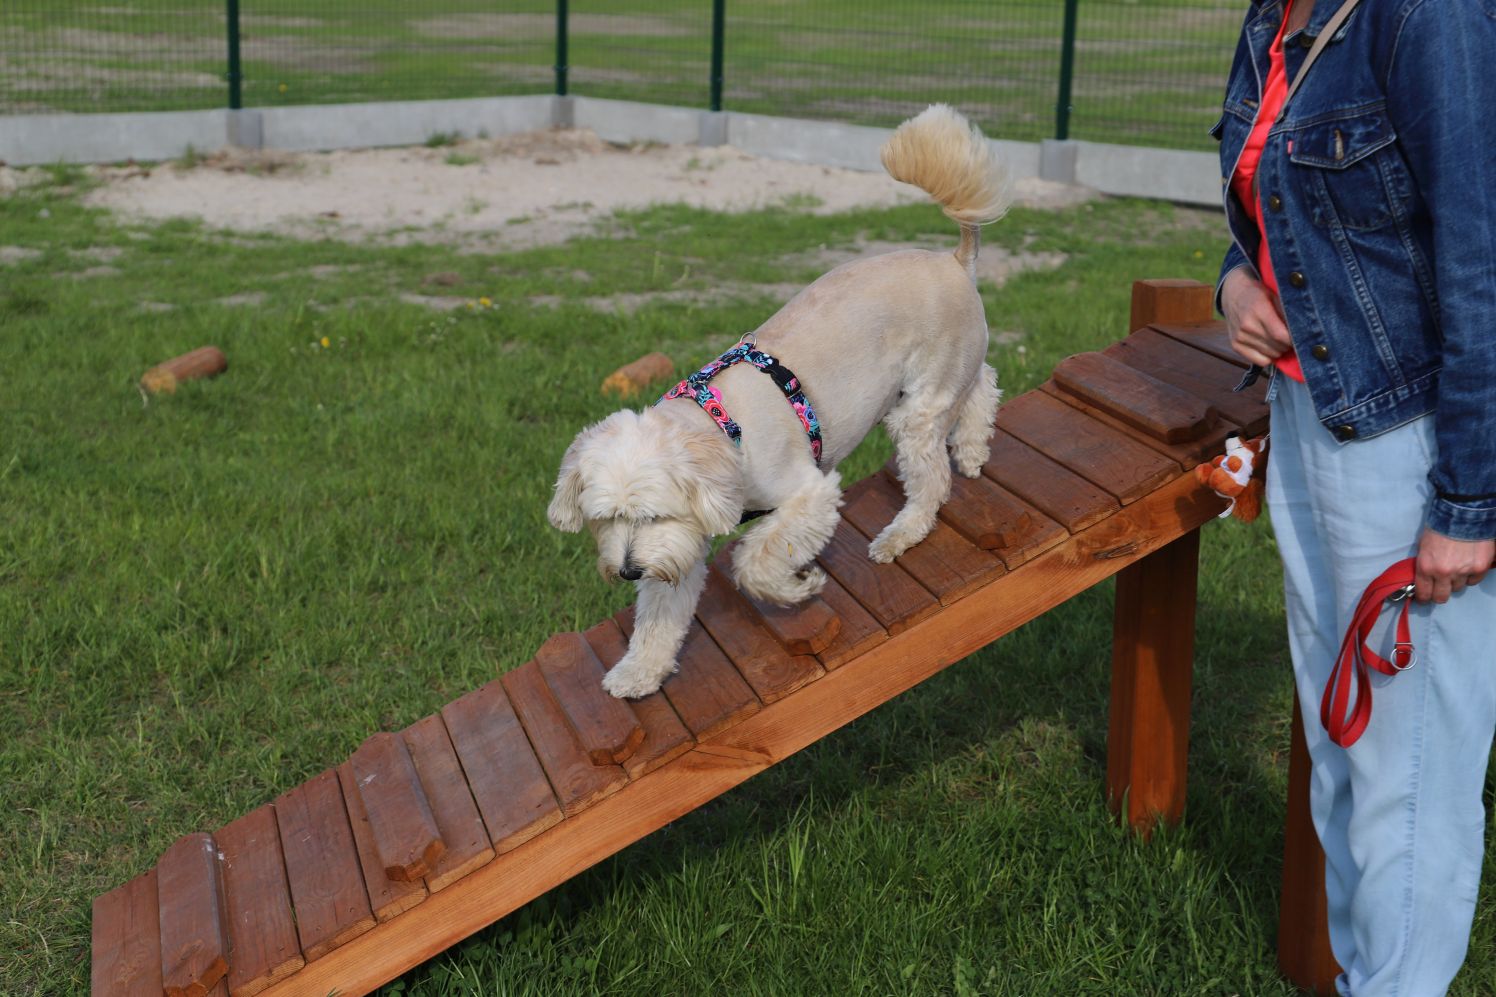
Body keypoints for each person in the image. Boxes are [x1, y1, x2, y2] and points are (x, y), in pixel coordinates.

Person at [1213, 0, 1496, 992]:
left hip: (1407, 442)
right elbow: (1268, 202)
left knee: (1405, 788)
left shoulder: (1431, 17)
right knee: (1343, 760)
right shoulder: (1275, 16)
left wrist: (1466, 504)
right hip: (1309, 423)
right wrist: (1233, 287)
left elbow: (1480, 261)